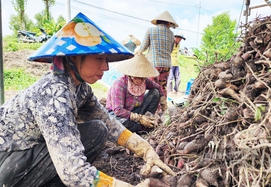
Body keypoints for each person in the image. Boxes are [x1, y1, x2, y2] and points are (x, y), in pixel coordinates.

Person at [0, 12, 175, 187]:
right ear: (74, 57)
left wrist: (145, 149)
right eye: (99, 58)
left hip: (33, 152)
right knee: (74, 170)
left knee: (98, 129)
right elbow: (73, 171)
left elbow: (109, 122)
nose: (106, 67)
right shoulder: (53, 95)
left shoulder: (81, 88)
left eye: (106, 60)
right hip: (9, 158)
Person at [106, 53, 167, 134]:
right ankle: (141, 127)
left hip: (136, 110)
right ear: (131, 75)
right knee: (121, 123)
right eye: (138, 77)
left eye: (143, 78)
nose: (141, 80)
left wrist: (164, 105)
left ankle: (148, 120)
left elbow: (158, 88)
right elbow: (118, 111)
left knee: (155, 93)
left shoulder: (144, 81)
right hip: (118, 114)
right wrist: (139, 118)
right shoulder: (120, 84)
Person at [137, 11, 178, 100]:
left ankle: (153, 109)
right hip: (166, 65)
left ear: (158, 22)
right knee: (162, 87)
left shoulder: (150, 30)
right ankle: (163, 108)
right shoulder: (171, 34)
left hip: (153, 65)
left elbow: (143, 47)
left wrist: (137, 53)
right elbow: (170, 51)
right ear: (168, 22)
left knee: (152, 87)